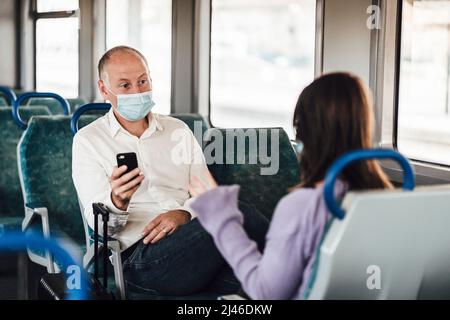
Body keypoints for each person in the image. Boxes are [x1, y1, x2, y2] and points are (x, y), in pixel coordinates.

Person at [72, 46, 269, 297]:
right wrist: (117, 201)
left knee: (254, 263)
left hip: (194, 246)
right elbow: (100, 228)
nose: (137, 91)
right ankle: (309, 265)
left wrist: (184, 213)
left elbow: (208, 194)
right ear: (104, 89)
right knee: (238, 212)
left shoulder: (178, 130)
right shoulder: (88, 141)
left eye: (143, 81)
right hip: (140, 260)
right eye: (125, 85)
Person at [188, 72, 393, 300]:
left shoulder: (303, 205)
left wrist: (221, 218)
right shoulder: (387, 199)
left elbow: (265, 293)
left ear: (302, 131)